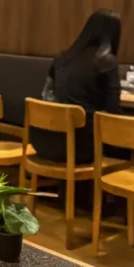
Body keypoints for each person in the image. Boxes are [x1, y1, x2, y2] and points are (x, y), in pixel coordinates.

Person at [30, 9, 122, 164]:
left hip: (44, 142)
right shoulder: (106, 62)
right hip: (80, 149)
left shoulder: (62, 58)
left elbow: (47, 93)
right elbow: (112, 109)